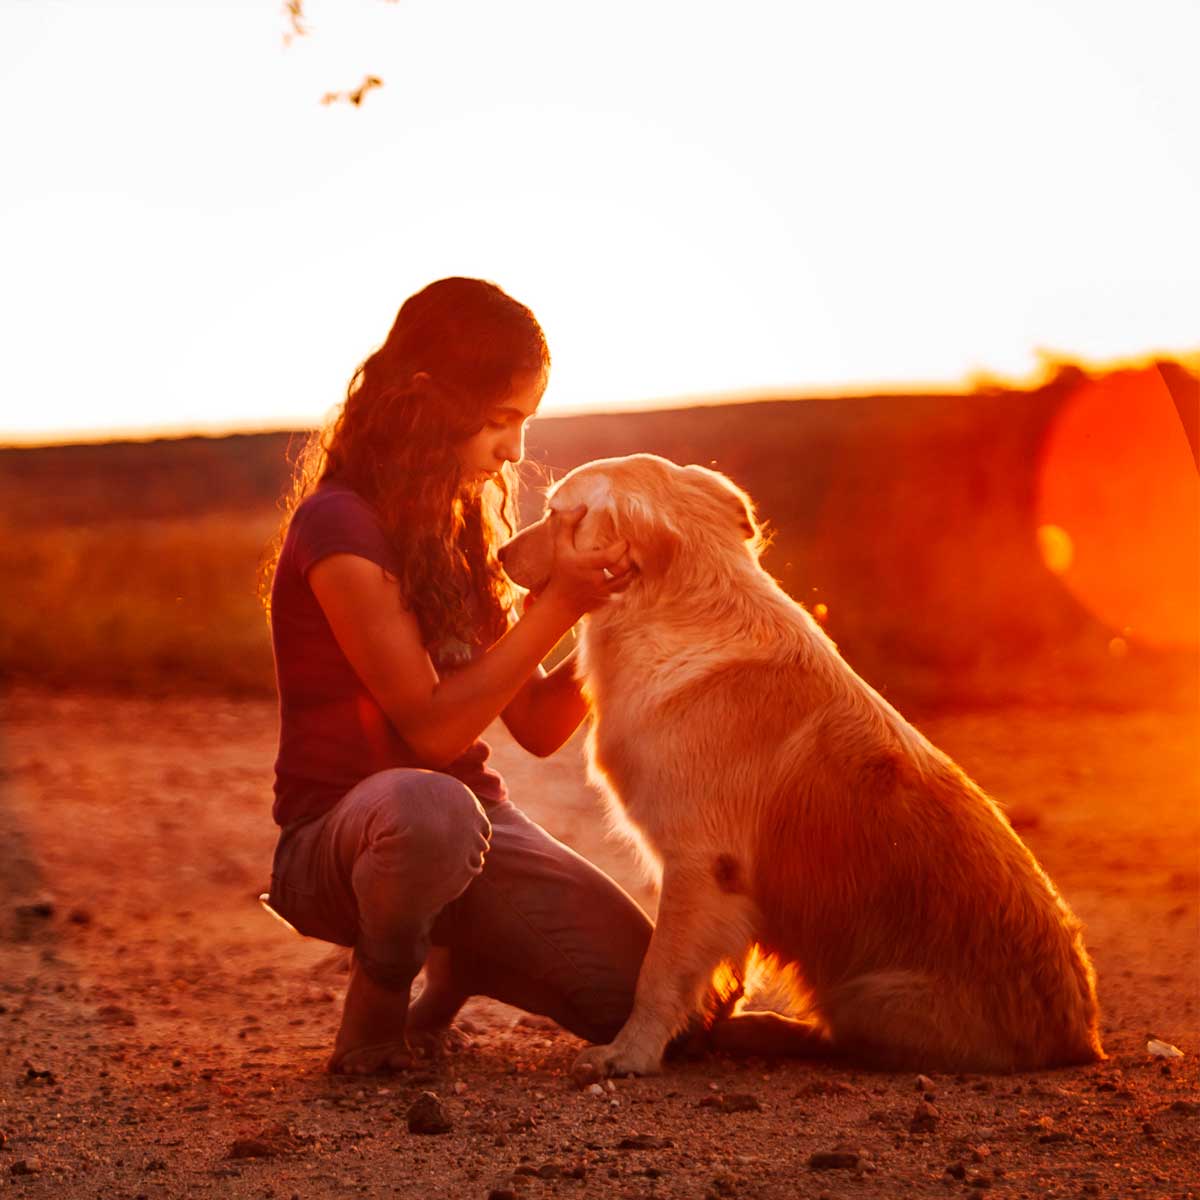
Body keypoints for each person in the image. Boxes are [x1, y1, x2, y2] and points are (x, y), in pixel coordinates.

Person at [260, 277, 652, 1075]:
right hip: (345, 840)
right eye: (502, 420)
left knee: (640, 1004)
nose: (514, 449)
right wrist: (561, 606)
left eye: (526, 423)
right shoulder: (339, 526)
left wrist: (619, 604)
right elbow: (434, 727)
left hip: (468, 836)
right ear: (427, 401)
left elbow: (539, 724)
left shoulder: (457, 527)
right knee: (431, 805)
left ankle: (462, 958)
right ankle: (373, 1019)